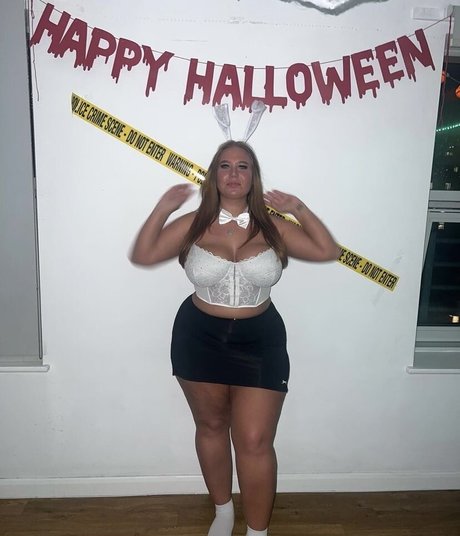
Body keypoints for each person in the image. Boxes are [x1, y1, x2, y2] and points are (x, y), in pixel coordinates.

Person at [130, 140, 340, 536]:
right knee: (211, 426)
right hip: (198, 336)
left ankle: (258, 532)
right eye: (224, 165)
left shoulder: (273, 225)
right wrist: (162, 208)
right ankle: (223, 511)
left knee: (255, 440)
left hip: (260, 340)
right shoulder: (194, 223)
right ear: (214, 175)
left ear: (253, 177)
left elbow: (326, 250)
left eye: (243, 166)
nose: (233, 174)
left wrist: (297, 208)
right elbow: (144, 254)